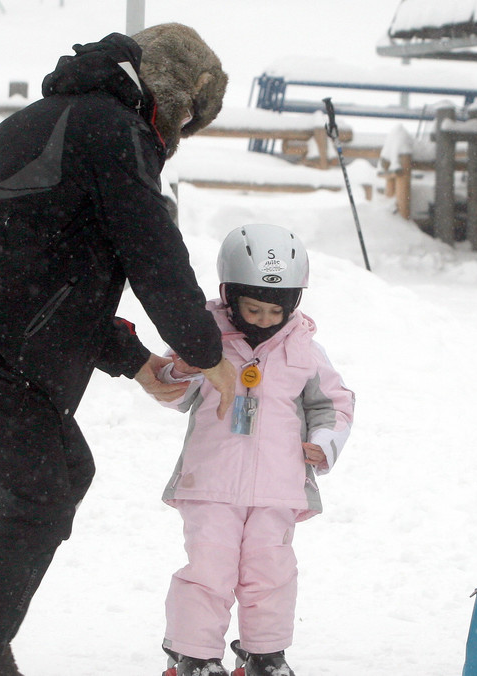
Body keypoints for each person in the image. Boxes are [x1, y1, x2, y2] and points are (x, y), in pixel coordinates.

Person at [0, 24, 239, 676]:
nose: (180, 138)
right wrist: (204, 348)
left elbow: (61, 271)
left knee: (59, 477)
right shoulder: (113, 131)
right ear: (169, 90)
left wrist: (134, 361)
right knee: (39, 498)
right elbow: (153, 253)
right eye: (188, 118)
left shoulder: (79, 120)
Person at [154, 223, 355, 676]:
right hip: (211, 483)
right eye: (254, 309)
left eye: (275, 311)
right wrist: (183, 370)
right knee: (210, 567)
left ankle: (264, 654)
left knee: (271, 571)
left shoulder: (305, 349)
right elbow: (171, 389)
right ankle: (195, 654)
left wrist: (324, 443)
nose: (265, 319)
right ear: (229, 296)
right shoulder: (203, 337)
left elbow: (335, 404)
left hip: (279, 487)